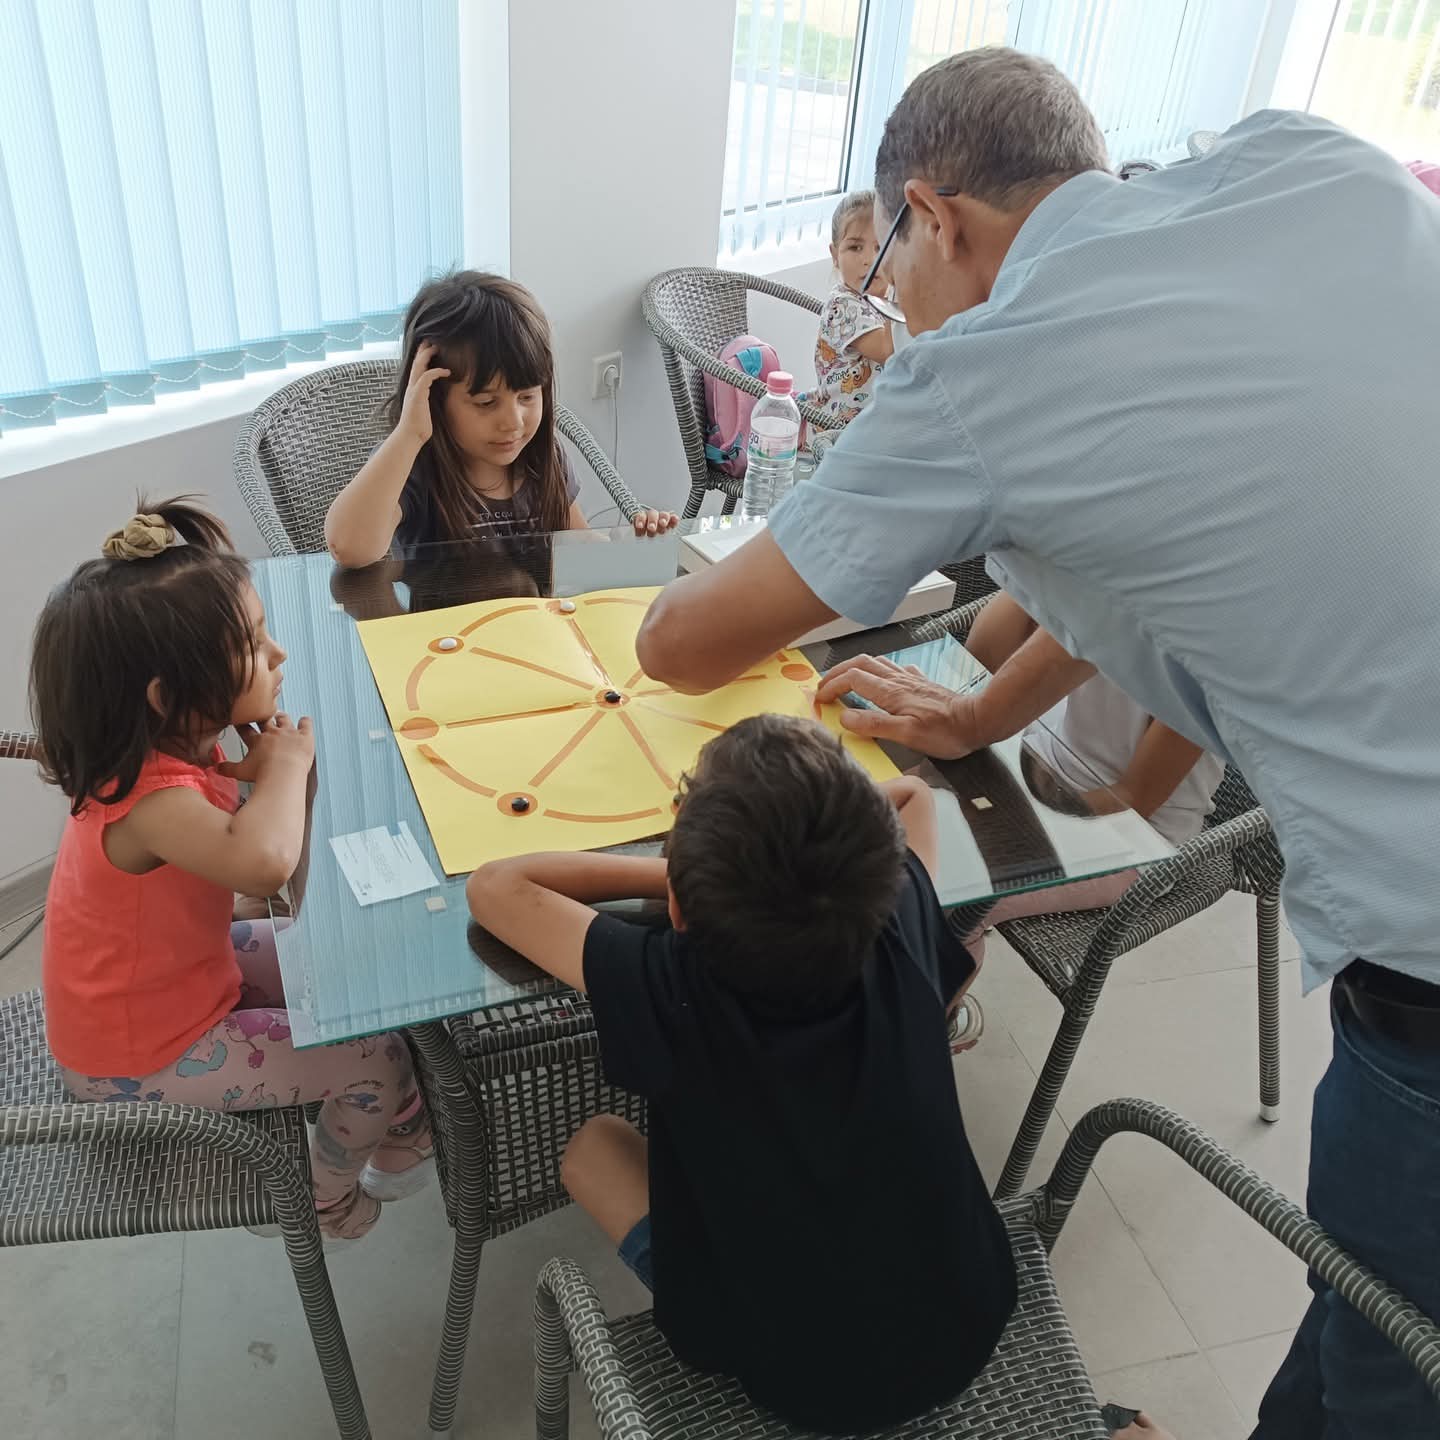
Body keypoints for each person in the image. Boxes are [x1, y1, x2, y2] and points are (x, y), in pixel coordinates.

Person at [634, 48, 1440, 1440]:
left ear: (934, 215)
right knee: (1361, 1304)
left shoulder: (984, 374)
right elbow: (1177, 551)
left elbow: (680, 647)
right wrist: (974, 714)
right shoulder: (1308, 162)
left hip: (1425, 959)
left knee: (1398, 1368)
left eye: (891, 265)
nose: (896, 304)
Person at [466, 715, 1017, 1433]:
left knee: (592, 1147)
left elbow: (497, 885)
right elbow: (912, 796)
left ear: (677, 908)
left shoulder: (669, 984)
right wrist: (760, 862)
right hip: (972, 1315)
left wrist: (697, 875)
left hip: (793, 1379)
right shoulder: (898, 915)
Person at [33, 499, 433, 1244]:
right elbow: (265, 865)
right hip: (136, 1059)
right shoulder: (149, 802)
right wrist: (287, 769)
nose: (278, 655)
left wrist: (280, 783)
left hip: (184, 981)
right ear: (168, 697)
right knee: (375, 1059)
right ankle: (319, 1200)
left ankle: (404, 1113)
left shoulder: (182, 745)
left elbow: (268, 870)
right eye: (252, 643)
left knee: (340, 962)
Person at [324, 271, 676, 566]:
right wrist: (409, 434)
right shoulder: (414, 468)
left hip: (537, 624)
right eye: (486, 402)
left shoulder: (544, 457)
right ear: (433, 399)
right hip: (450, 629)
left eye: (527, 397)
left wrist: (632, 550)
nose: (513, 422)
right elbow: (349, 548)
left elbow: (577, 544)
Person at [800, 190, 895, 428]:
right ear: (835, 255)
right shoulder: (842, 305)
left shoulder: (886, 299)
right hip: (834, 431)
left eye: (880, 247)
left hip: (875, 426)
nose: (869, 260)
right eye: (855, 248)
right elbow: (889, 349)